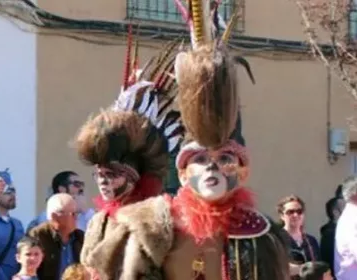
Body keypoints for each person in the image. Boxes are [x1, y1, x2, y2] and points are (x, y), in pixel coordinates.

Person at [82, 4, 289, 279]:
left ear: (243, 170)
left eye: (224, 158)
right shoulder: (151, 227)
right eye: (200, 159)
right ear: (181, 173)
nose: (211, 168)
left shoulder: (260, 232)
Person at [75, 25, 175, 274]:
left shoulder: (155, 220)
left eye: (111, 174)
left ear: (134, 176)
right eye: (99, 174)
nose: (103, 182)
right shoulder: (98, 220)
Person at [27, 194, 83, 280]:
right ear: (55, 217)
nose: (76, 217)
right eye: (73, 214)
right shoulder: (37, 236)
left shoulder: (80, 237)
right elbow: (29, 271)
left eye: (77, 213)